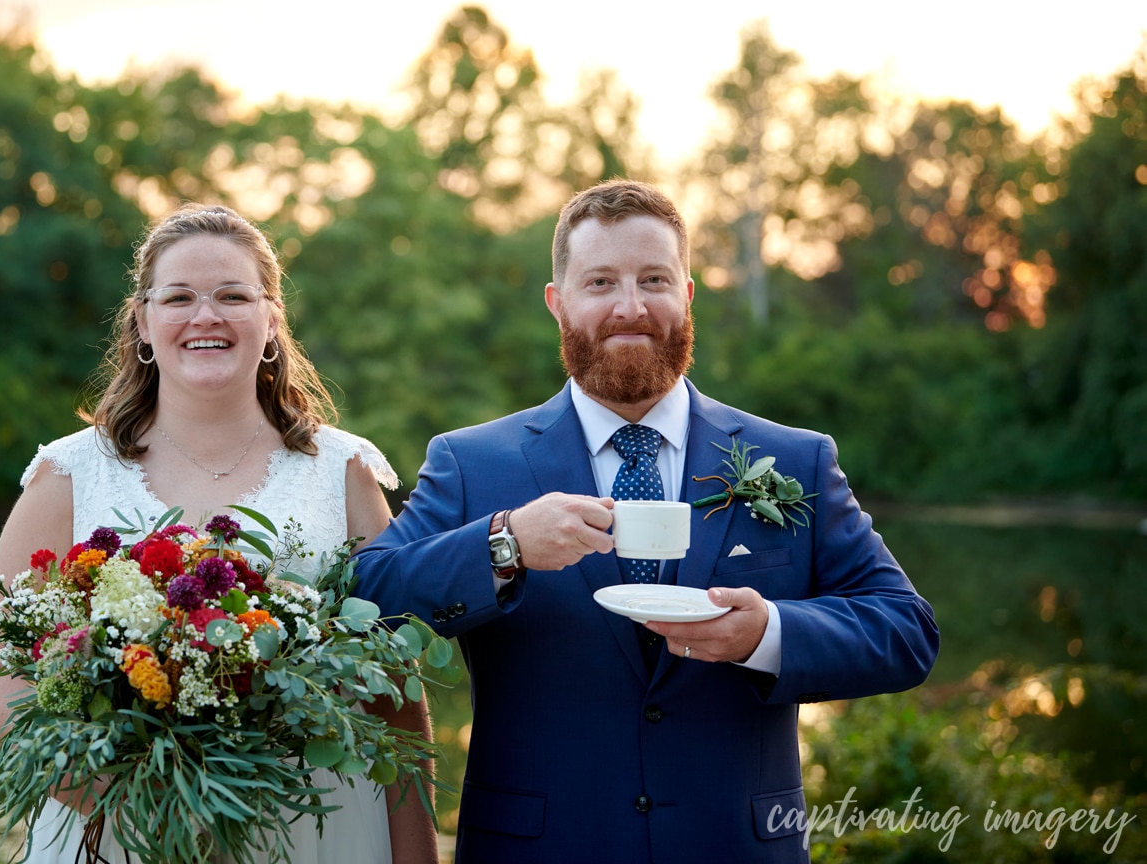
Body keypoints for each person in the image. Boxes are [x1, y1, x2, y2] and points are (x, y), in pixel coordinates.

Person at [351, 180, 940, 863]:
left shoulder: (796, 459)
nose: (630, 307)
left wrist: (769, 634)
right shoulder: (471, 463)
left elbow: (906, 630)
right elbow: (369, 594)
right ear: (558, 302)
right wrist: (503, 544)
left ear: (687, 295)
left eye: (653, 280)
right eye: (600, 281)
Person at [0, 204, 438, 864]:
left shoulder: (344, 472)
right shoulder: (69, 474)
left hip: (315, 826)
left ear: (271, 320)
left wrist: (417, 857)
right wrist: (110, 796)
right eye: (180, 297)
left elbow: (395, 690)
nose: (205, 316)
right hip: (119, 832)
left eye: (233, 296)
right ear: (143, 323)